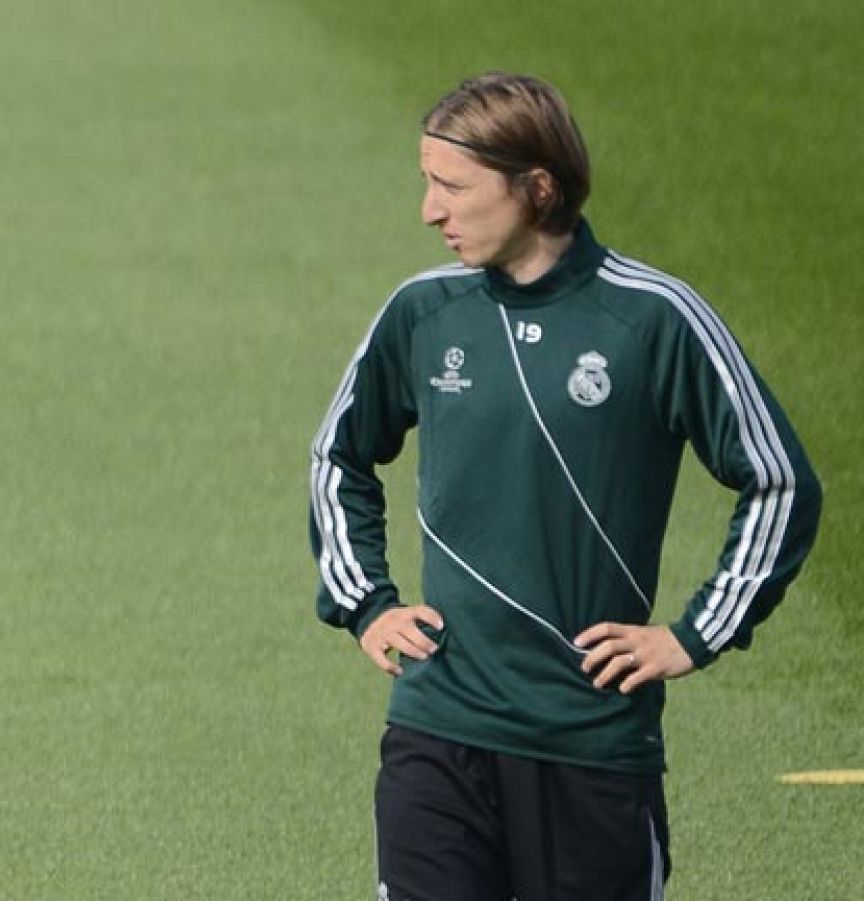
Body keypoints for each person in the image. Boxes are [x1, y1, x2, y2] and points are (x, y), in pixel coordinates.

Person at [308, 73, 821, 900]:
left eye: (451, 186)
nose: (429, 211)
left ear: (536, 187)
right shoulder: (423, 313)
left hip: (590, 747)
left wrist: (693, 635)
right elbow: (339, 456)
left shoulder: (653, 318)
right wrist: (366, 601)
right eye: (427, 182)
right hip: (439, 734)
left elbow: (781, 482)